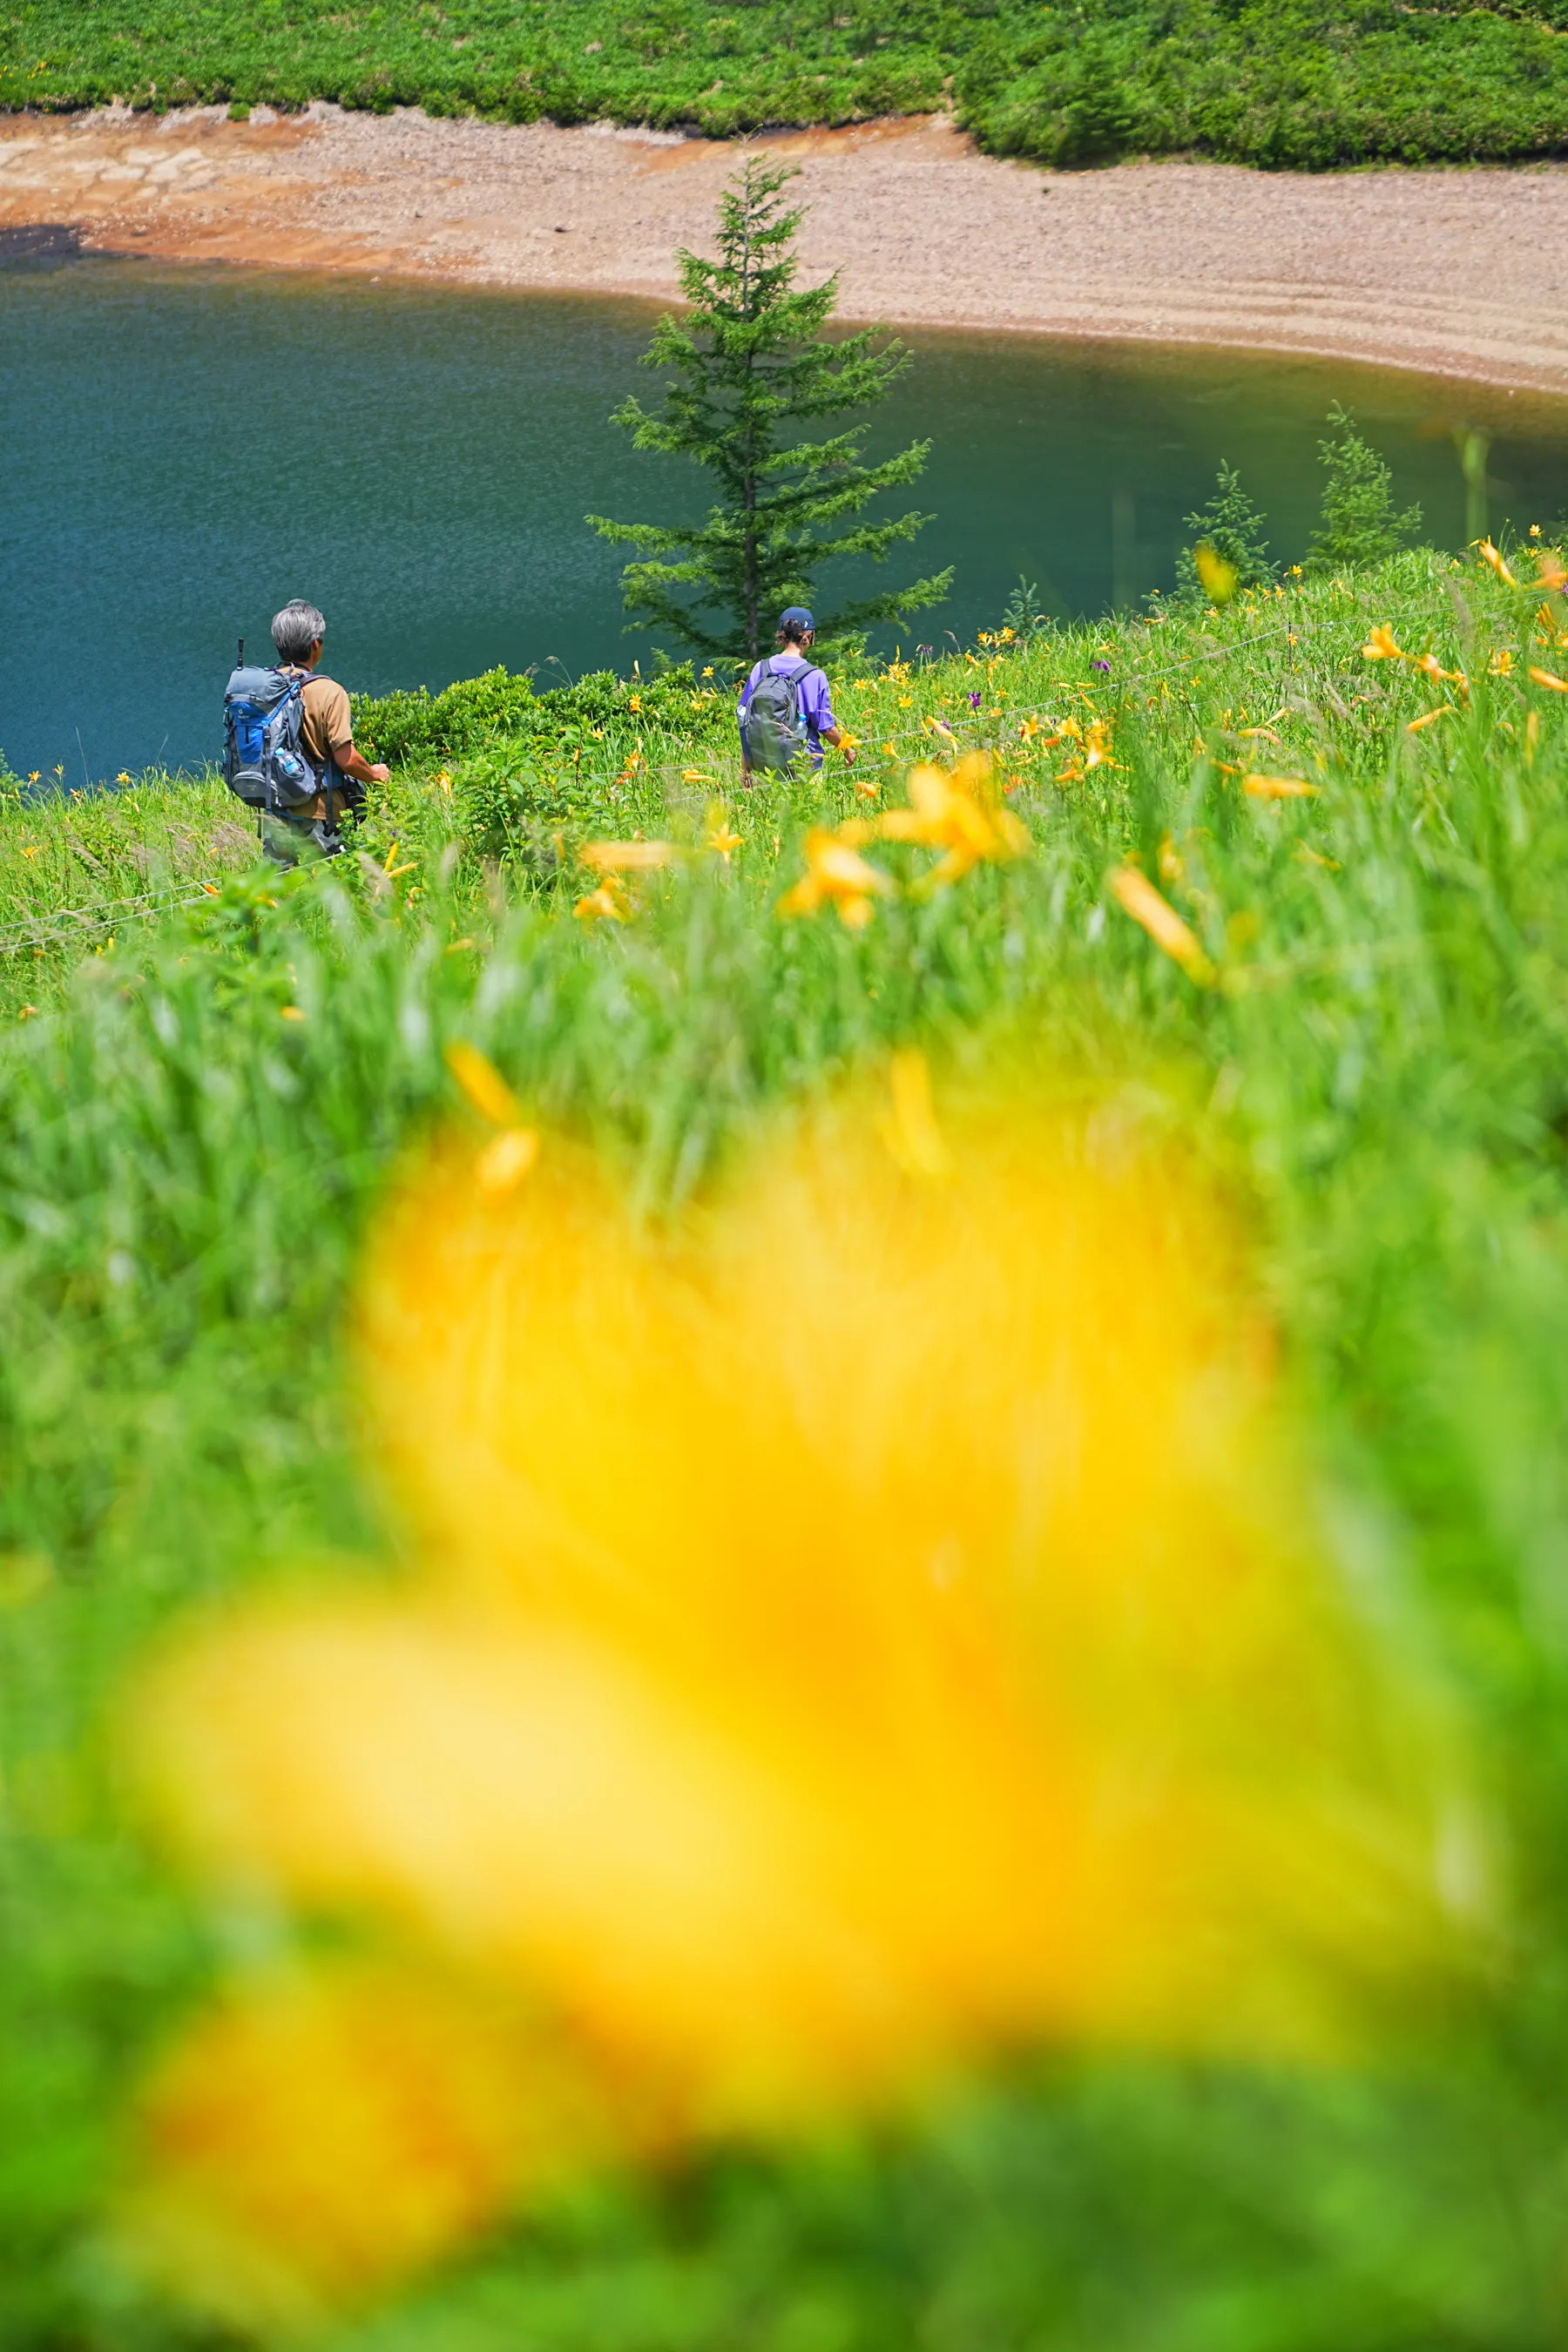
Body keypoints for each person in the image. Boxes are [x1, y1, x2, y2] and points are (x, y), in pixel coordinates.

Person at [267, 599, 389, 859]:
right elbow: (348, 760)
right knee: (337, 890)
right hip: (321, 814)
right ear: (314, 645)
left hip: (275, 810)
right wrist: (375, 775)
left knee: (278, 893)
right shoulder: (329, 692)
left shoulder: (264, 688)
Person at [738, 607, 856, 784]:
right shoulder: (815, 676)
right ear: (808, 636)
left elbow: (745, 719)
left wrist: (746, 767)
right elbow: (826, 728)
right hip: (804, 766)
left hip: (765, 766)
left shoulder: (761, 669)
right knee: (809, 811)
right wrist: (846, 748)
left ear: (781, 635)